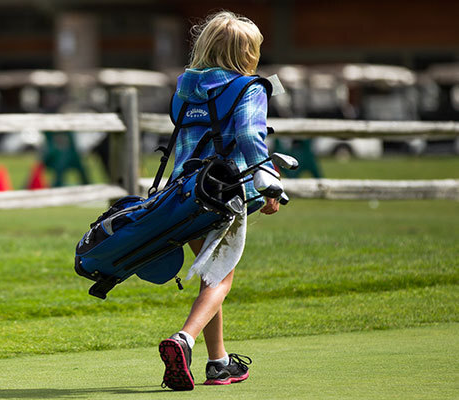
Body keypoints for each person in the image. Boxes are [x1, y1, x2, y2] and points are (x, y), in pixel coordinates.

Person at [158, 11, 279, 391]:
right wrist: (271, 183)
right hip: (224, 192)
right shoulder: (249, 88)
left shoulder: (185, 86)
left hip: (185, 193)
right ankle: (184, 340)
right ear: (246, 52)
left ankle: (219, 363)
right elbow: (248, 135)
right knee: (221, 279)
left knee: (211, 275)